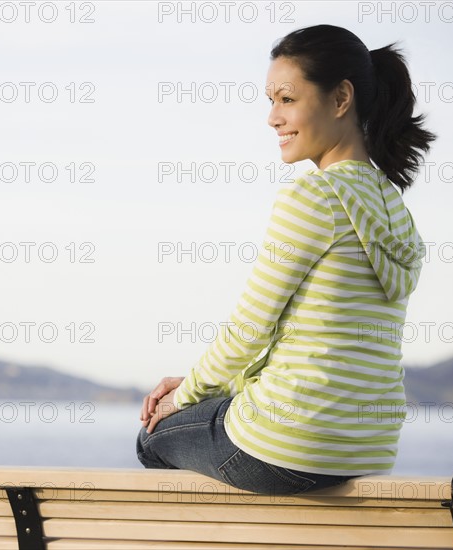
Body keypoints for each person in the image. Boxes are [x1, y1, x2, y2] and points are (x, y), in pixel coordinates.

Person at [136, 24, 436, 495]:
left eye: (286, 98)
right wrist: (207, 386)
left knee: (151, 437)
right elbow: (318, 341)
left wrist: (185, 395)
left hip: (290, 441)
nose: (272, 118)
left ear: (341, 99)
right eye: (270, 101)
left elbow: (250, 328)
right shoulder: (391, 206)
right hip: (366, 446)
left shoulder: (315, 196)